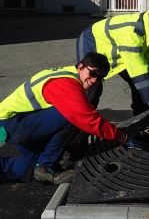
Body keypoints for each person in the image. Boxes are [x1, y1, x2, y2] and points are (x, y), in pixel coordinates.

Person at [0, 52, 141, 185]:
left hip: (12, 124)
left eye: (99, 78)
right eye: (92, 74)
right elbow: (87, 120)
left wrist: (75, 150)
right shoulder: (67, 85)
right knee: (74, 117)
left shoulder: (65, 74)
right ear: (80, 66)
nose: (94, 81)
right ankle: (46, 166)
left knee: (34, 168)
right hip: (13, 124)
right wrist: (124, 138)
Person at [76, 6, 149, 119]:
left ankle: (141, 116)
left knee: (138, 81)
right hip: (91, 41)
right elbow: (137, 67)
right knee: (92, 84)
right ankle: (82, 121)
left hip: (117, 48)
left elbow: (146, 60)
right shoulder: (132, 31)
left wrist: (148, 81)